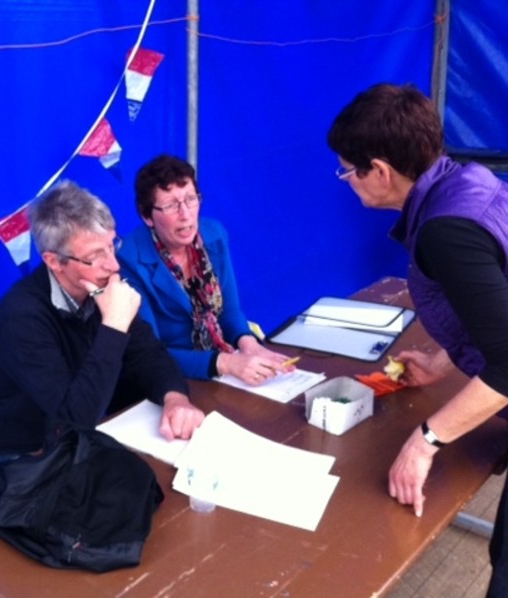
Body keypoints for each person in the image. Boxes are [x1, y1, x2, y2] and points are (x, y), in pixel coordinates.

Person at [327, 82, 508, 596]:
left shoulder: (445, 231)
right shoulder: (467, 180)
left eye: (347, 170)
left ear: (380, 171)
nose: (346, 181)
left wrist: (425, 441)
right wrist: (443, 360)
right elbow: (494, 302)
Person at [0, 180, 205, 466]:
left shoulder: (100, 284)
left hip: (90, 433)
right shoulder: (20, 320)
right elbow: (73, 418)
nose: (114, 265)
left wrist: (175, 398)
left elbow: (148, 354)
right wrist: (114, 325)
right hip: (27, 455)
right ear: (54, 261)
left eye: (112, 245)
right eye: (95, 256)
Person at [117, 154, 294, 384]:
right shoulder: (130, 261)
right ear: (147, 216)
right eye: (170, 206)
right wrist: (225, 363)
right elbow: (149, 353)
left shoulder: (213, 235)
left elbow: (229, 311)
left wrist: (249, 345)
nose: (185, 215)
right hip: (167, 378)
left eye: (191, 199)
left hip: (219, 363)